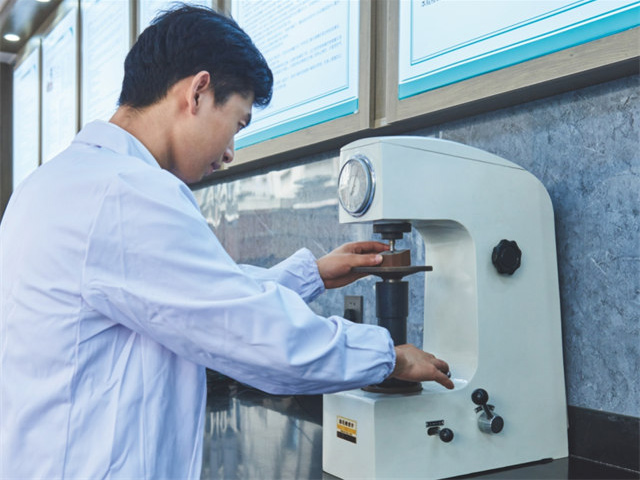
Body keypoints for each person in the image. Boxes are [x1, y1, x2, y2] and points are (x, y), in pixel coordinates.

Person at [0, 5, 453, 479]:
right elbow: (248, 330)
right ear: (198, 91)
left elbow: (185, 295)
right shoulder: (128, 192)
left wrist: (312, 274)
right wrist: (387, 357)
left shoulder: (53, 184)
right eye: (237, 123)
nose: (231, 152)